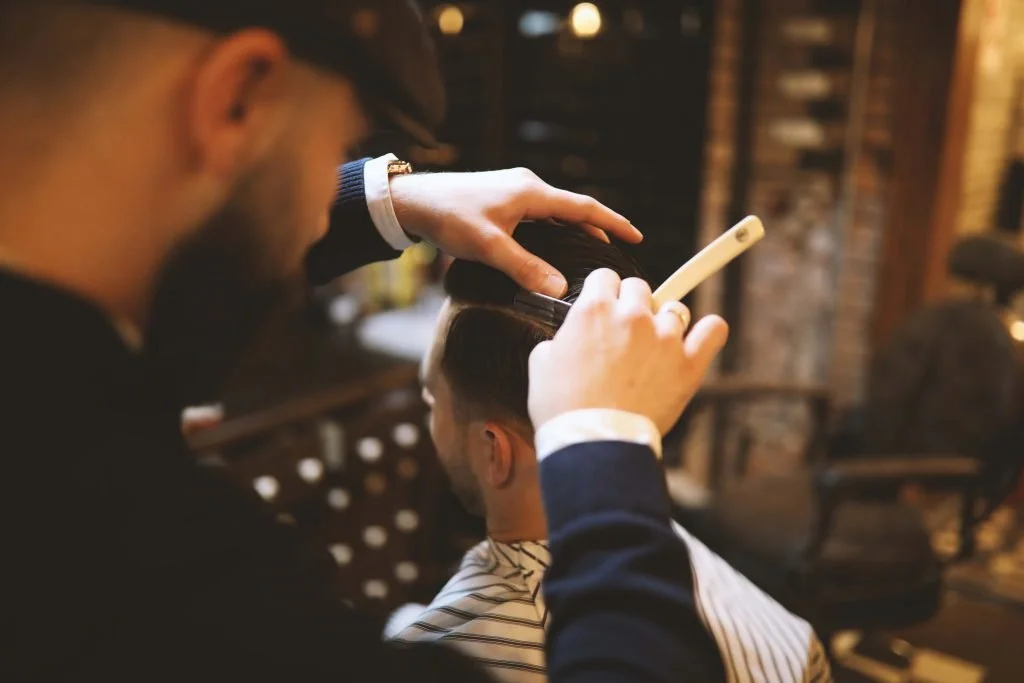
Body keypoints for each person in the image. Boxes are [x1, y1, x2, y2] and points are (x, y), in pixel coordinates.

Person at [1, 1, 727, 681]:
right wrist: (606, 442)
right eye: (339, 151)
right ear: (236, 101)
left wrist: (385, 201)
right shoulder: (159, 580)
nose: (326, 210)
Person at [390, 223, 832, 683]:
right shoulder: (766, 617)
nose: (429, 416)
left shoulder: (450, 649)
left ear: (493, 451)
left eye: (431, 400)